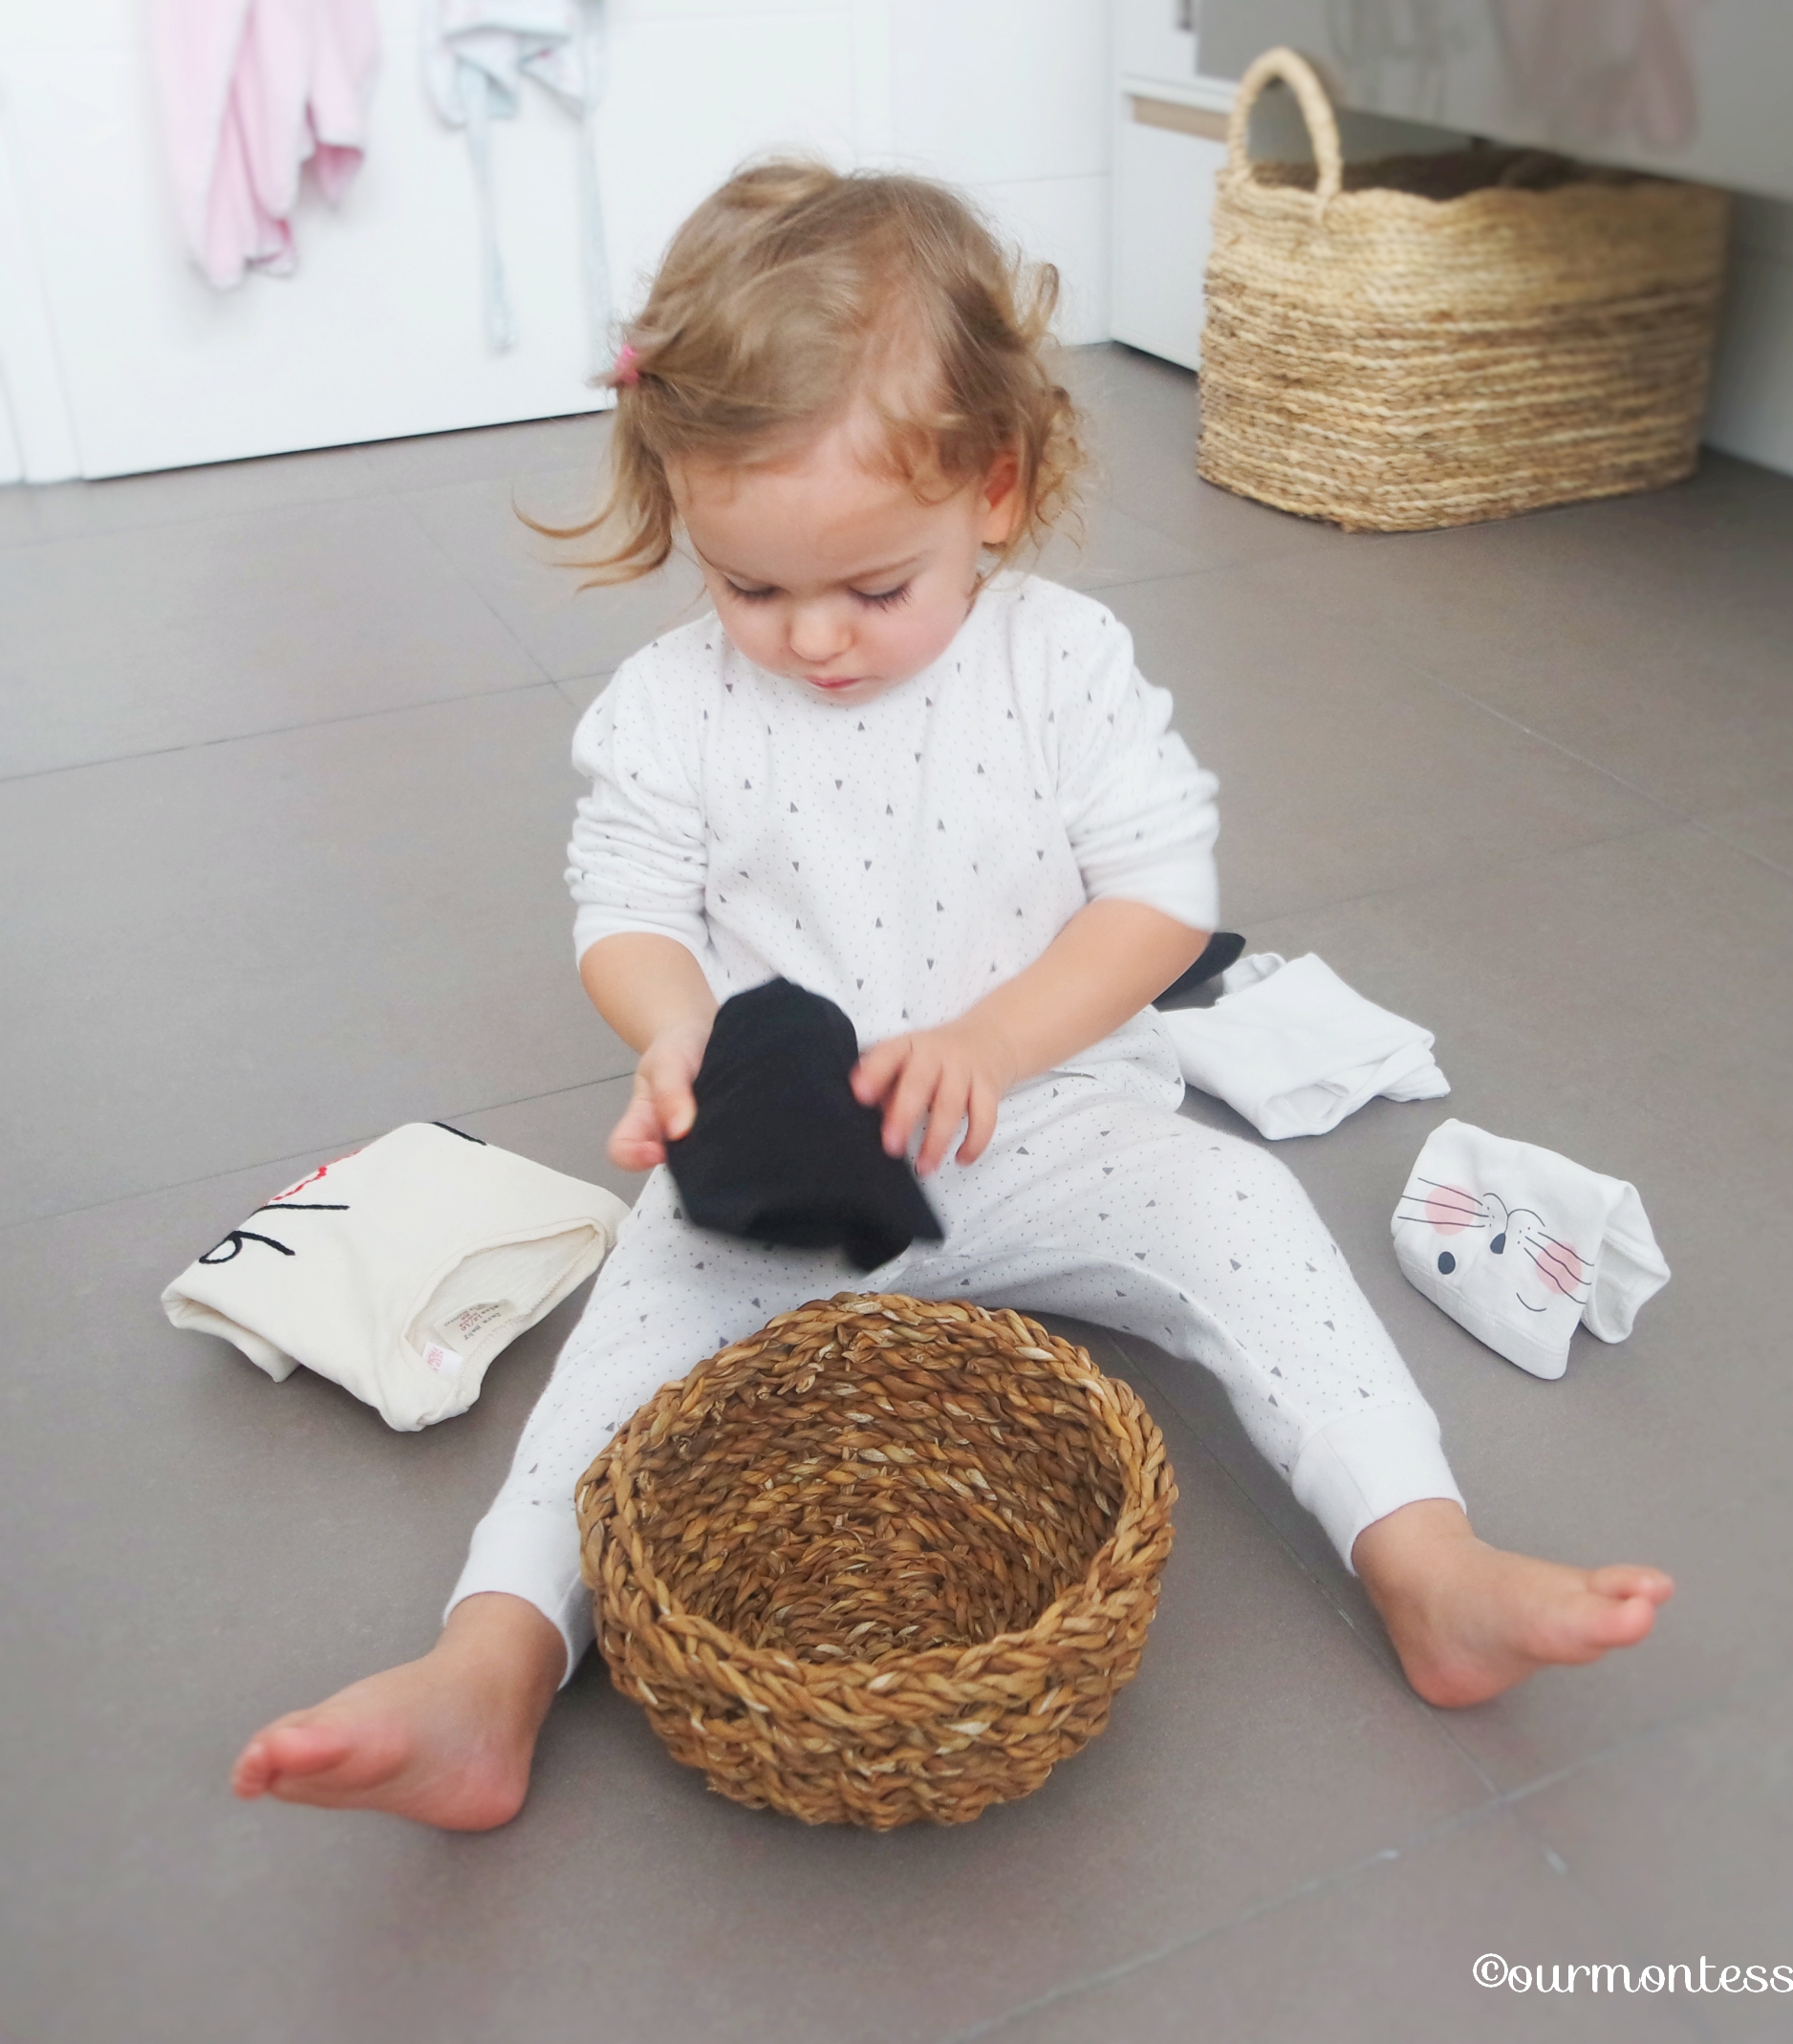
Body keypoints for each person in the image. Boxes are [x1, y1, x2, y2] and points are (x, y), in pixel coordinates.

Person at [231, 162, 1673, 1830]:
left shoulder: (1060, 668)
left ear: (995, 487)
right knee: (630, 1330)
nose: (812, 641)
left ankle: (1427, 1561)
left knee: (1245, 1215)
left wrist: (997, 1041)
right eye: (749, 587)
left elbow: (1158, 902)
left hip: (1053, 1125)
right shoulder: (671, 705)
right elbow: (623, 907)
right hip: (795, 1171)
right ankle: (489, 1667)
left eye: (871, 587)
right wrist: (673, 1028)